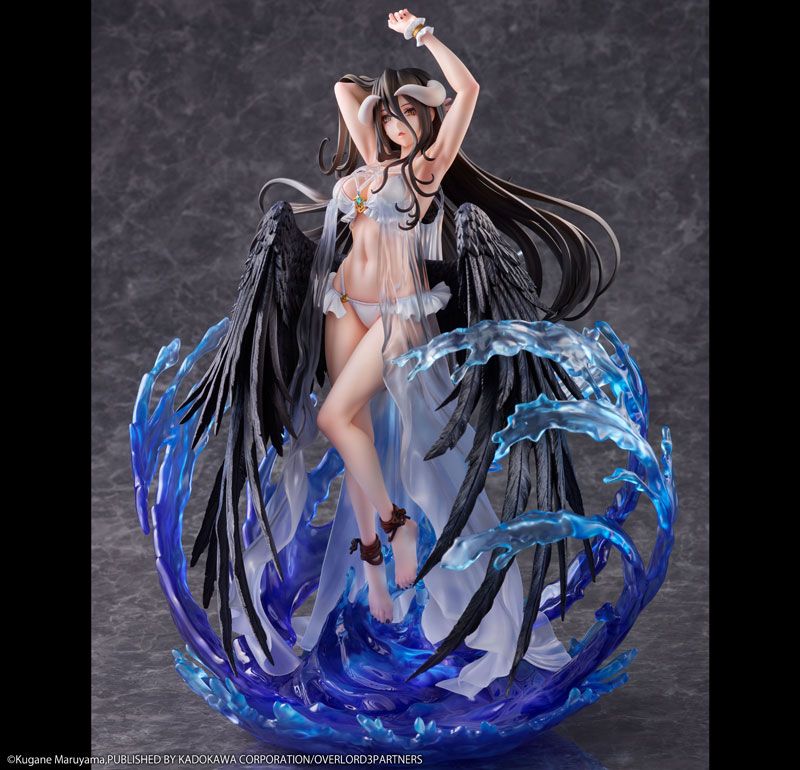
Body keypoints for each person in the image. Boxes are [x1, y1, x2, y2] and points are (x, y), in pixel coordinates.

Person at [178, 8, 620, 700]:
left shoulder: (427, 172)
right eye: (391, 114)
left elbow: (468, 90)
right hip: (342, 308)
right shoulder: (372, 163)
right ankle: (374, 569)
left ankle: (397, 525)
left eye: (410, 114)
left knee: (334, 419)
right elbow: (341, 89)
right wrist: (382, 93)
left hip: (399, 317)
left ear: (428, 121)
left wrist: (424, 40)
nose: (395, 124)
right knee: (353, 434)